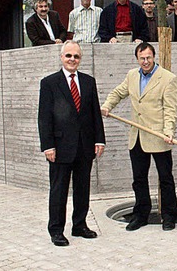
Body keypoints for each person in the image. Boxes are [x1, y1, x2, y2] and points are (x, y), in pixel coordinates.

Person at [101, 42, 177, 231]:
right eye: (142, 58)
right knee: (139, 179)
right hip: (137, 137)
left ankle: (169, 217)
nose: (145, 61)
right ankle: (141, 215)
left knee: (165, 178)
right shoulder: (131, 75)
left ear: (154, 57)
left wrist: (169, 132)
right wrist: (107, 105)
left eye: (148, 58)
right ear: (137, 58)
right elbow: (118, 93)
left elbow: (170, 109)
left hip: (159, 136)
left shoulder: (168, 79)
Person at [38, 41, 106, 246]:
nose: (72, 60)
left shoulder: (88, 82)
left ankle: (79, 225)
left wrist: (99, 139)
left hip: (85, 146)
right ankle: (56, 230)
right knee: (58, 190)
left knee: (82, 188)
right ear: (61, 57)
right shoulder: (49, 83)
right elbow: (44, 117)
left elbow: (95, 113)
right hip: (59, 147)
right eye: (68, 56)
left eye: (76, 56)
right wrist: (47, 145)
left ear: (80, 59)